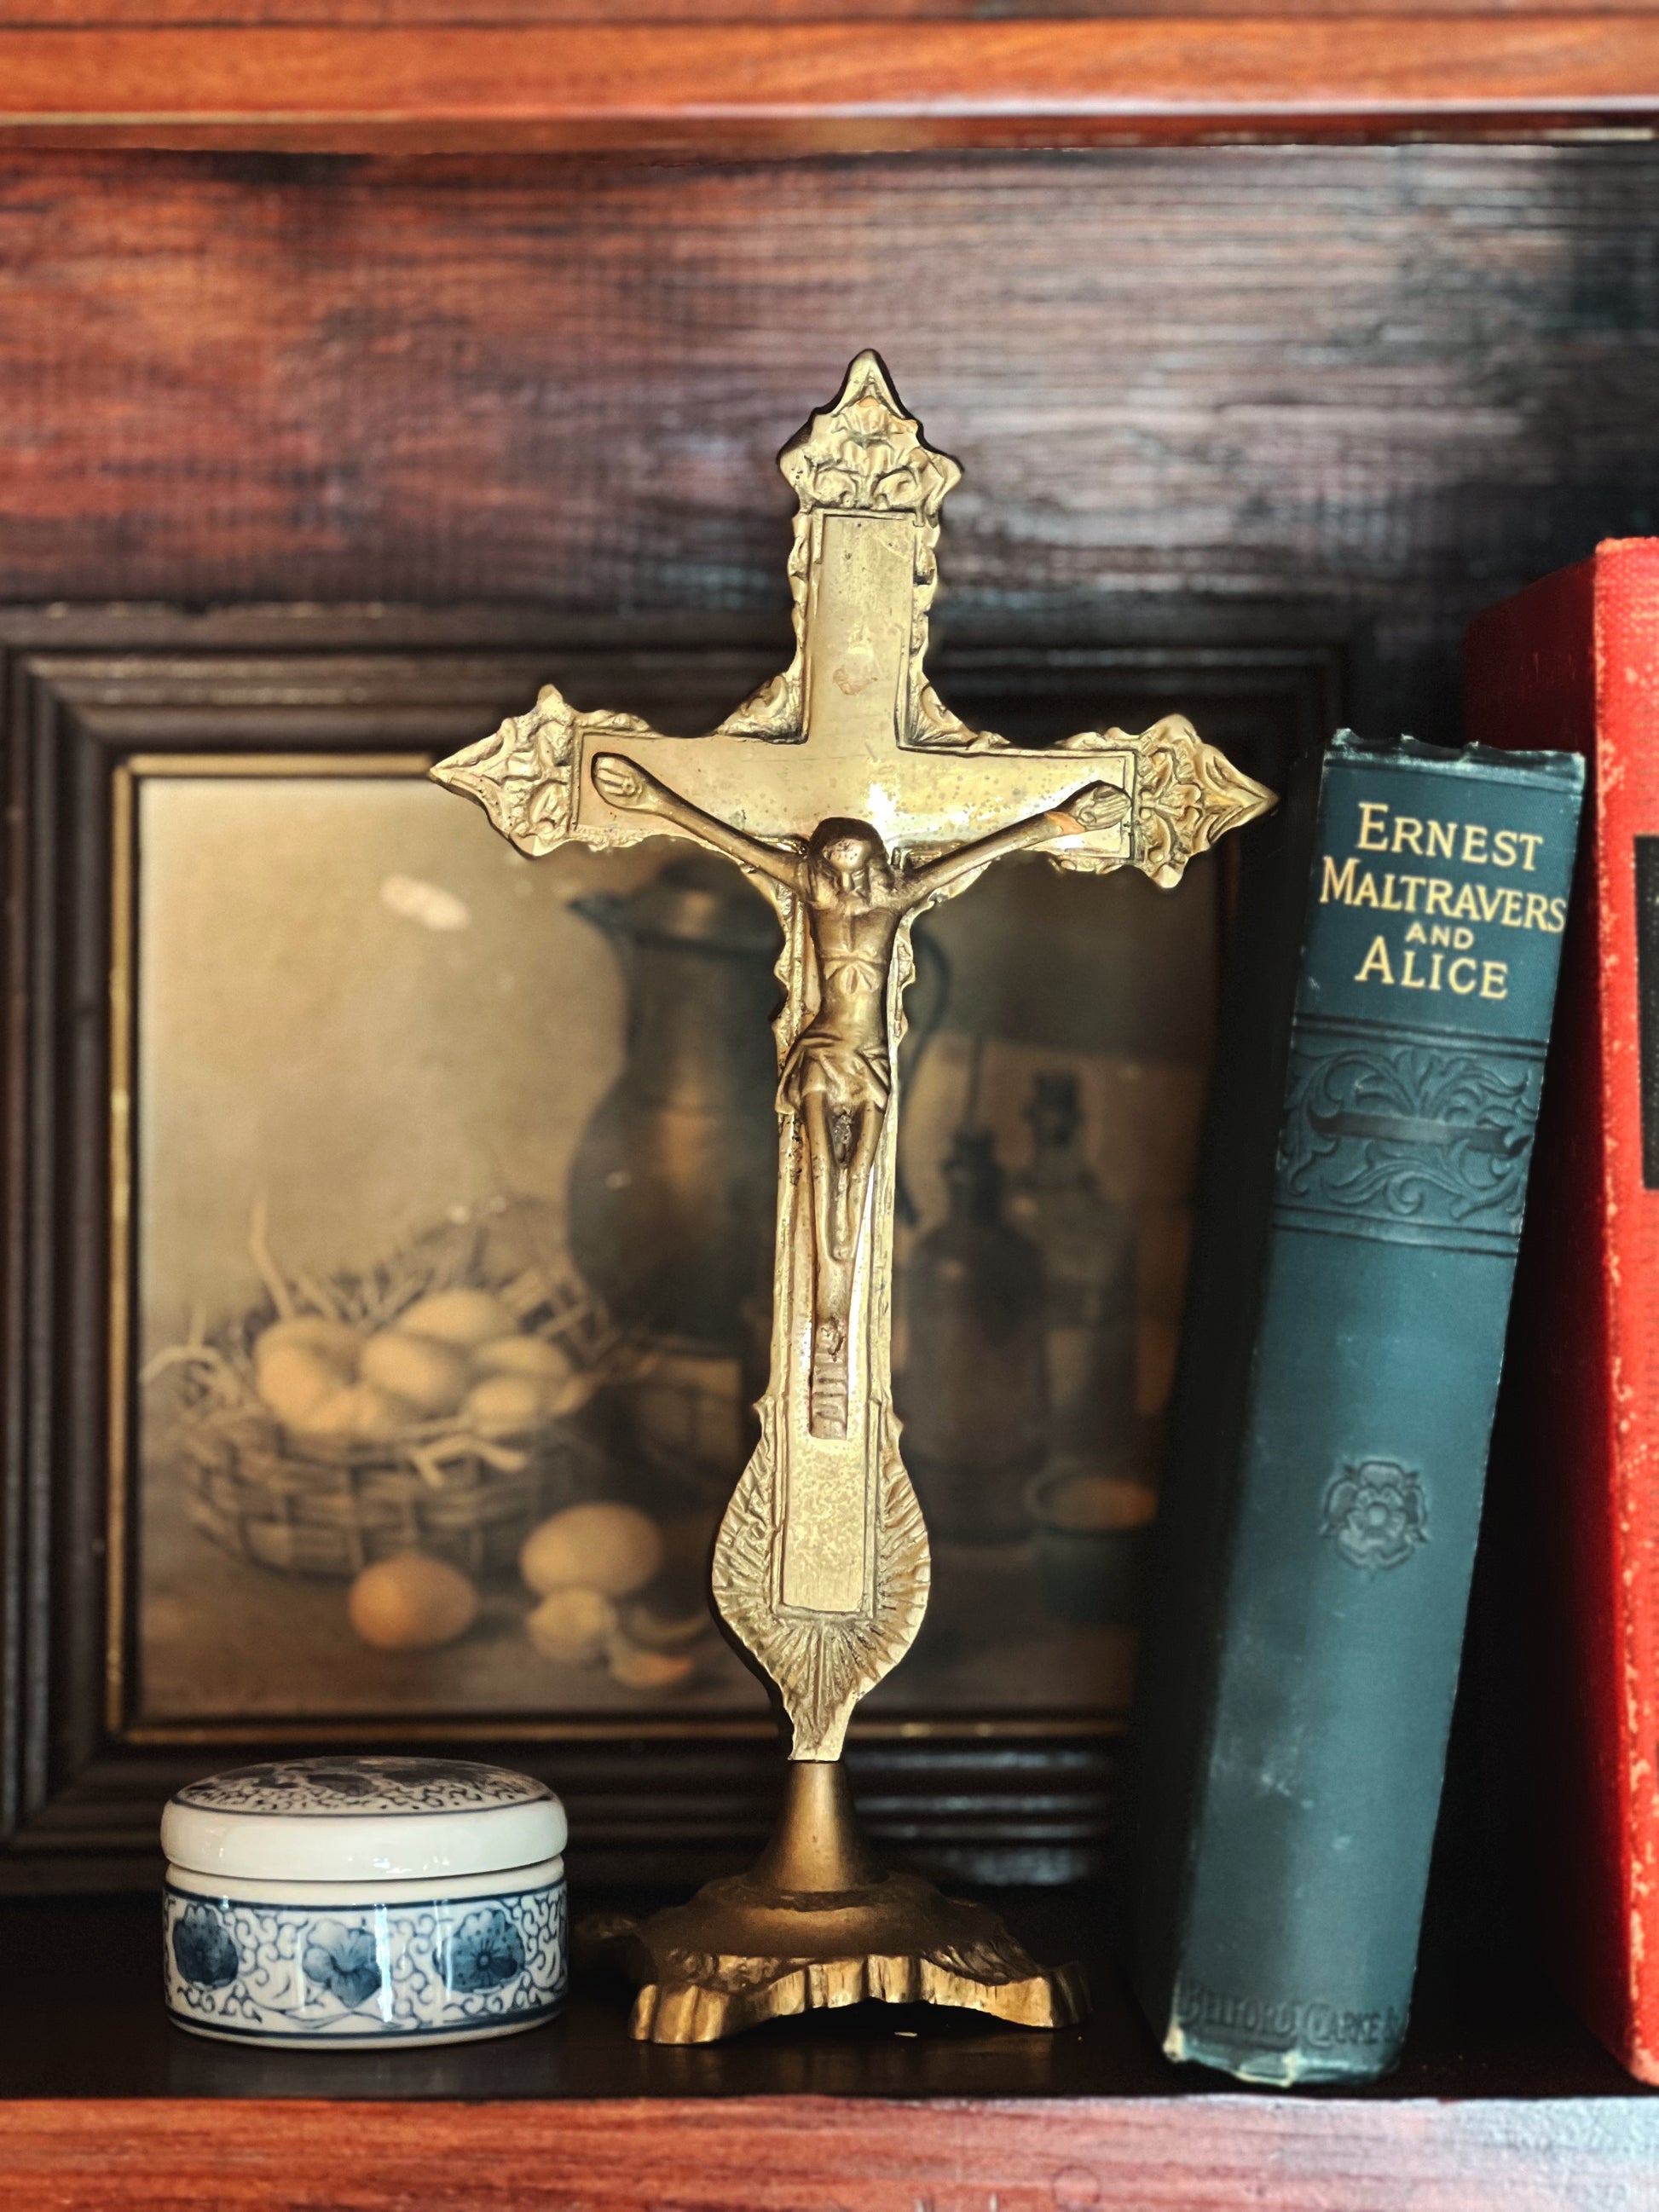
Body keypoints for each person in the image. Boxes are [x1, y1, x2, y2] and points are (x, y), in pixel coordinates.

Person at [591, 750, 1128, 1437]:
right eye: (832, 859)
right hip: (820, 1055)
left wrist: (1061, 820)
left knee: (859, 1190)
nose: (842, 875)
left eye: (851, 859)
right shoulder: (813, 893)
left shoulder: (891, 900)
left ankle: (835, 1328)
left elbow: (972, 857)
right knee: (823, 1188)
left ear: (872, 858)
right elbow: (733, 843)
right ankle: (829, 1331)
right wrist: (651, 798)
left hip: (868, 1060)